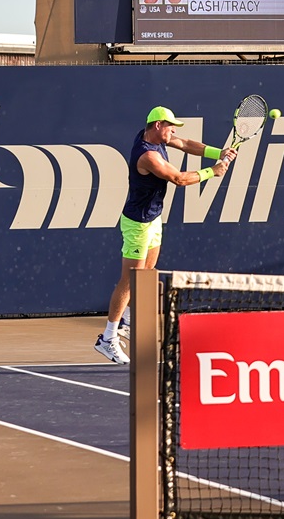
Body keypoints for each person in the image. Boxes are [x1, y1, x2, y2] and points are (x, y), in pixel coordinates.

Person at [94, 106, 236, 364]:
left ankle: (127, 321)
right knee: (130, 280)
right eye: (170, 126)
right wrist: (212, 171)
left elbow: (186, 144)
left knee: (147, 273)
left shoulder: (154, 137)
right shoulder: (148, 156)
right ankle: (108, 338)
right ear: (158, 125)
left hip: (153, 218)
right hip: (138, 224)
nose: (173, 132)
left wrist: (220, 152)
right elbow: (179, 179)